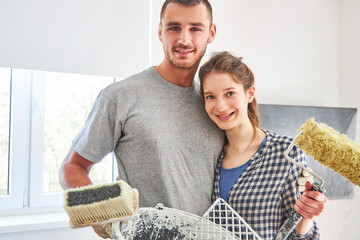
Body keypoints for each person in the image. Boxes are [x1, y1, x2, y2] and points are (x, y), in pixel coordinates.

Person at [59, 0, 225, 237]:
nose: (184, 39)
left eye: (196, 28)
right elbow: (71, 166)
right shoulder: (120, 96)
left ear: (211, 33)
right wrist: (100, 210)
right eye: (174, 27)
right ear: (160, 31)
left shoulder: (214, 105)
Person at [198, 51, 328, 239]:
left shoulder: (286, 153)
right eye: (210, 97)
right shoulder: (211, 155)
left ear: (250, 93)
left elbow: (303, 236)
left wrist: (307, 216)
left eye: (230, 93)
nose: (220, 106)